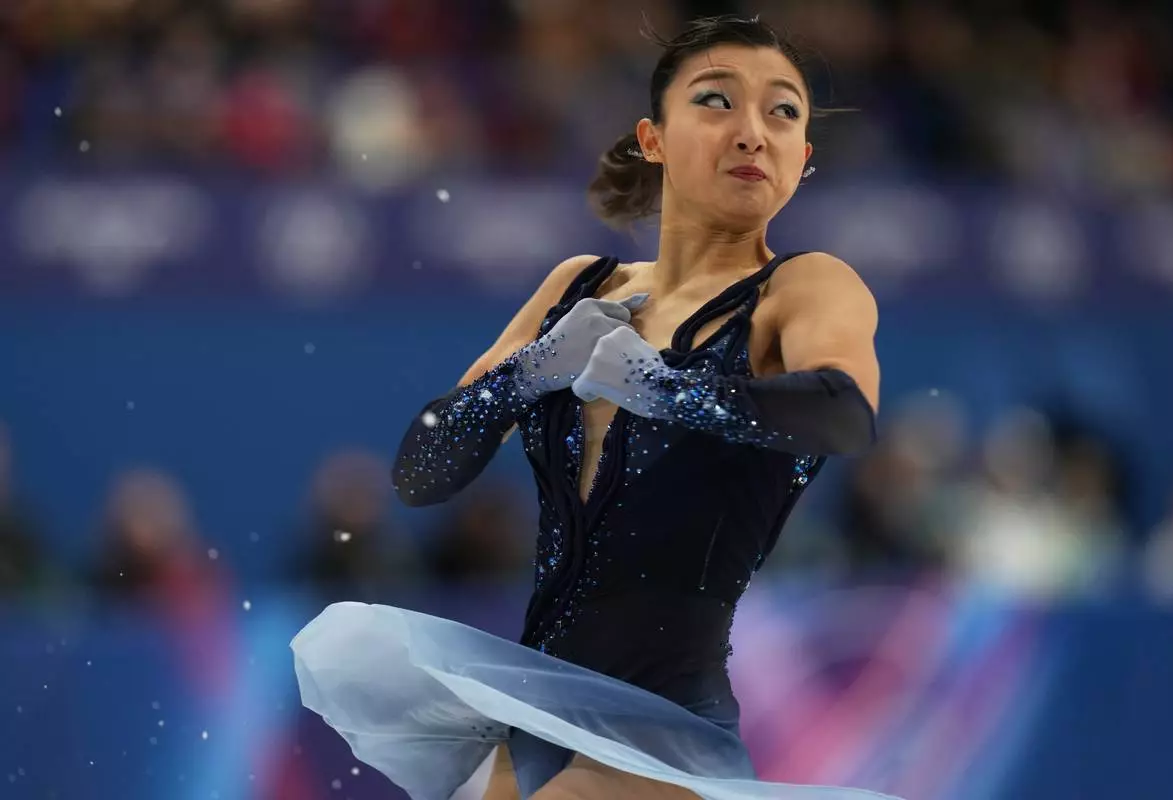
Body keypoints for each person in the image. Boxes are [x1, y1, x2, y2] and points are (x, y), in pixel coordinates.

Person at [292, 15, 890, 800]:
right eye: (717, 101)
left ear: (803, 159)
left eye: (783, 112)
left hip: (663, 726)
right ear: (654, 138)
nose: (753, 132)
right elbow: (422, 470)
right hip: (535, 714)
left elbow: (846, 413)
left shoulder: (804, 287)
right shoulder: (581, 284)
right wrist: (528, 374)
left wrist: (663, 387)